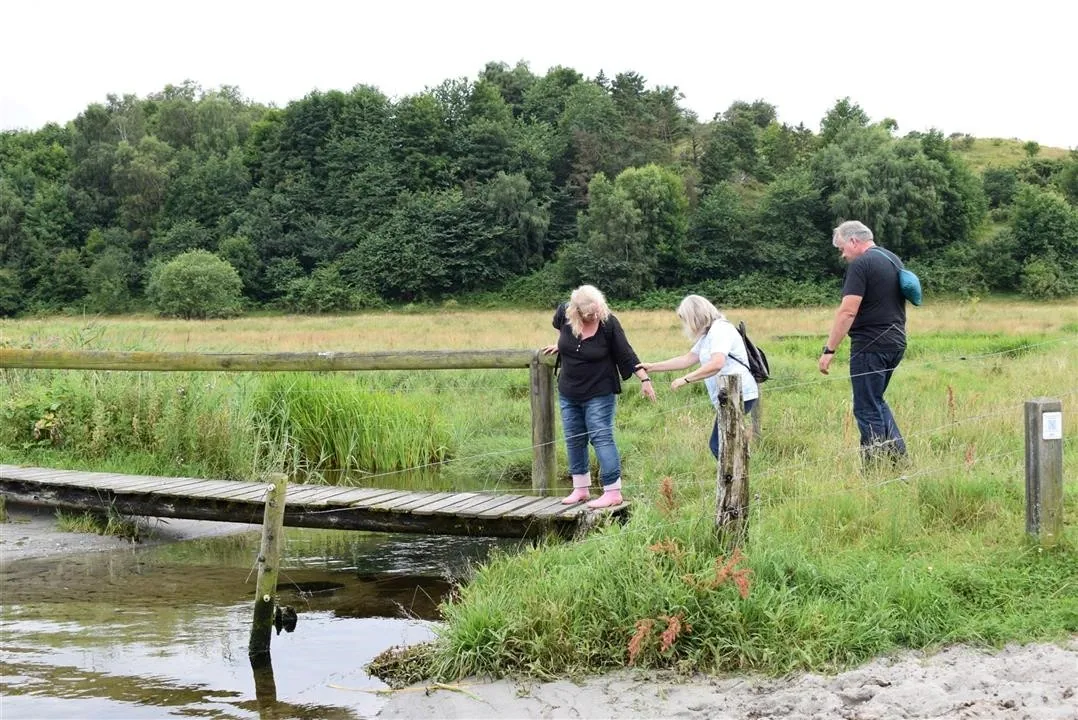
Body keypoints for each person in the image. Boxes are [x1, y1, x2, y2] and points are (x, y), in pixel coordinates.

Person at [542, 285, 656, 509]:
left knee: (601, 436)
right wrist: (560, 345)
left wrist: (644, 379)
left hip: (599, 392)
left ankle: (613, 492)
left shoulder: (608, 323)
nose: (593, 316)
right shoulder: (564, 313)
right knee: (574, 438)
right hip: (568, 391)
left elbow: (626, 353)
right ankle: (581, 489)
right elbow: (561, 333)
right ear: (575, 310)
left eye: (596, 312)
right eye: (588, 314)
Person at [818, 220, 908, 466]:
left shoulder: (862, 264)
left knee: (866, 407)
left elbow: (847, 311)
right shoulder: (891, 259)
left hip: (871, 345)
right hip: (896, 341)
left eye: (842, 248)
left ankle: (875, 467)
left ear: (853, 241)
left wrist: (829, 349)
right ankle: (899, 459)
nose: (843, 254)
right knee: (876, 401)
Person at [636, 295, 759, 459]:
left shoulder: (720, 330)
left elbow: (717, 363)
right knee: (727, 443)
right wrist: (653, 366)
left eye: (686, 319)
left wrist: (685, 379)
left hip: (739, 394)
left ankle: (734, 480)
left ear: (695, 316)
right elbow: (687, 359)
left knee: (719, 445)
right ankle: (737, 476)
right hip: (729, 395)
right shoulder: (708, 335)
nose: (686, 325)